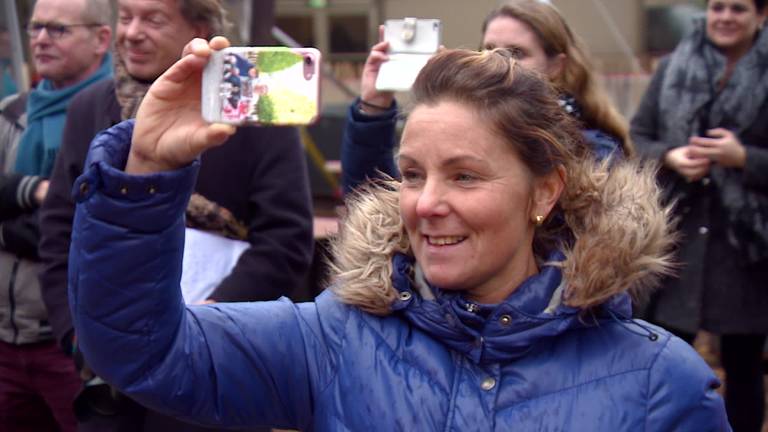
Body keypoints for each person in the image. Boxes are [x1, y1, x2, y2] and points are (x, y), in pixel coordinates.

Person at [65, 36, 730, 431]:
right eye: (412, 174)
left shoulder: (661, 384)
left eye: (466, 177)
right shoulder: (331, 339)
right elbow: (143, 352)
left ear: (546, 191)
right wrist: (145, 172)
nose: (428, 204)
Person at [37, 0, 313, 430]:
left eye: (153, 19)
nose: (131, 32)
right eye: (125, 17)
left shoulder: (253, 106)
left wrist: (213, 321)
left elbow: (287, 239)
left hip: (217, 367)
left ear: (199, 28)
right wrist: (77, 335)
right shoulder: (92, 107)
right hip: (110, 378)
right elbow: (58, 231)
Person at [630, 1, 768, 431]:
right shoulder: (673, 67)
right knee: (664, 358)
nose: (724, 17)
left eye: (738, 9)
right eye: (717, 7)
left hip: (747, 248)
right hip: (679, 239)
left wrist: (743, 156)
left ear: (761, 16)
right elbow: (638, 136)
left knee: (744, 368)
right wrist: (670, 156)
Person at [342, 0, 633, 194]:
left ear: (556, 66)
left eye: (517, 53)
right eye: (489, 49)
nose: (500, 60)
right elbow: (375, 206)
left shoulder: (595, 153)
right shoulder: (462, 129)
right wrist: (374, 107)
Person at [0, 0, 112, 430]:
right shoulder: (12, 113)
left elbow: (82, 230)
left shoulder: (110, 117)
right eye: (35, 29)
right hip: (9, 340)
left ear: (101, 39)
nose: (42, 39)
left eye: (58, 30)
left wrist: (12, 218)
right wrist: (36, 192)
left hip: (70, 344)